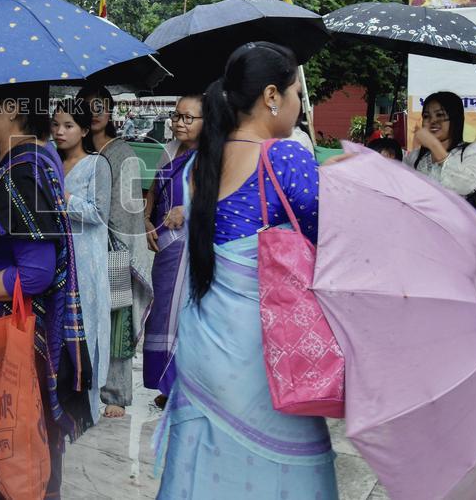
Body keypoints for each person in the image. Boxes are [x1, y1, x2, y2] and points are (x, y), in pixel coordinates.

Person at [156, 42, 337, 499]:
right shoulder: (286, 157)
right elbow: (332, 242)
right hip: (265, 356)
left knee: (204, 471)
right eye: (297, 93)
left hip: (202, 347)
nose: (299, 105)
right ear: (271, 96)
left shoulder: (199, 164)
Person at [0, 83, 92, 498]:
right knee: (22, 448)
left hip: (10, 338)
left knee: (6, 454)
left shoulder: (22, 172)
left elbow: (36, 273)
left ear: (11, 108)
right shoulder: (35, 158)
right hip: (23, 334)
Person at [78, 84, 153, 419]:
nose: (94, 113)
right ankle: (84, 383)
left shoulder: (122, 153)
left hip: (115, 250)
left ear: (110, 112)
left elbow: (125, 215)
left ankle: (116, 393)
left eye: (100, 106)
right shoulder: (75, 150)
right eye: (88, 106)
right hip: (80, 249)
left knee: (117, 318)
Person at [52, 98, 111, 425]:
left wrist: (65, 199)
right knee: (61, 330)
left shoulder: (97, 165)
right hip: (58, 258)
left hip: (86, 265)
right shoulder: (51, 162)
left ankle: (87, 407)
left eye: (68, 125)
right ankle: (59, 403)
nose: (60, 132)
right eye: (56, 125)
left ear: (85, 130)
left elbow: (99, 213)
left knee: (87, 329)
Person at [142, 95, 202, 405]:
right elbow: (153, 191)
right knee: (163, 314)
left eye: (188, 118)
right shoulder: (169, 150)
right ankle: (166, 385)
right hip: (164, 245)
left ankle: (184, 387)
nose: (179, 122)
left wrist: (187, 208)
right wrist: (145, 221)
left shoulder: (212, 158)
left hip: (191, 248)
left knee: (185, 316)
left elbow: (217, 201)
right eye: (176, 116)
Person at [404, 91, 476, 238]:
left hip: (465, 239)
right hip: (423, 236)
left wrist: (435, 146)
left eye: (440, 115)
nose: (433, 121)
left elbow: (463, 185)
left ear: (456, 119)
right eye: (427, 116)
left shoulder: (474, 151)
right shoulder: (416, 158)